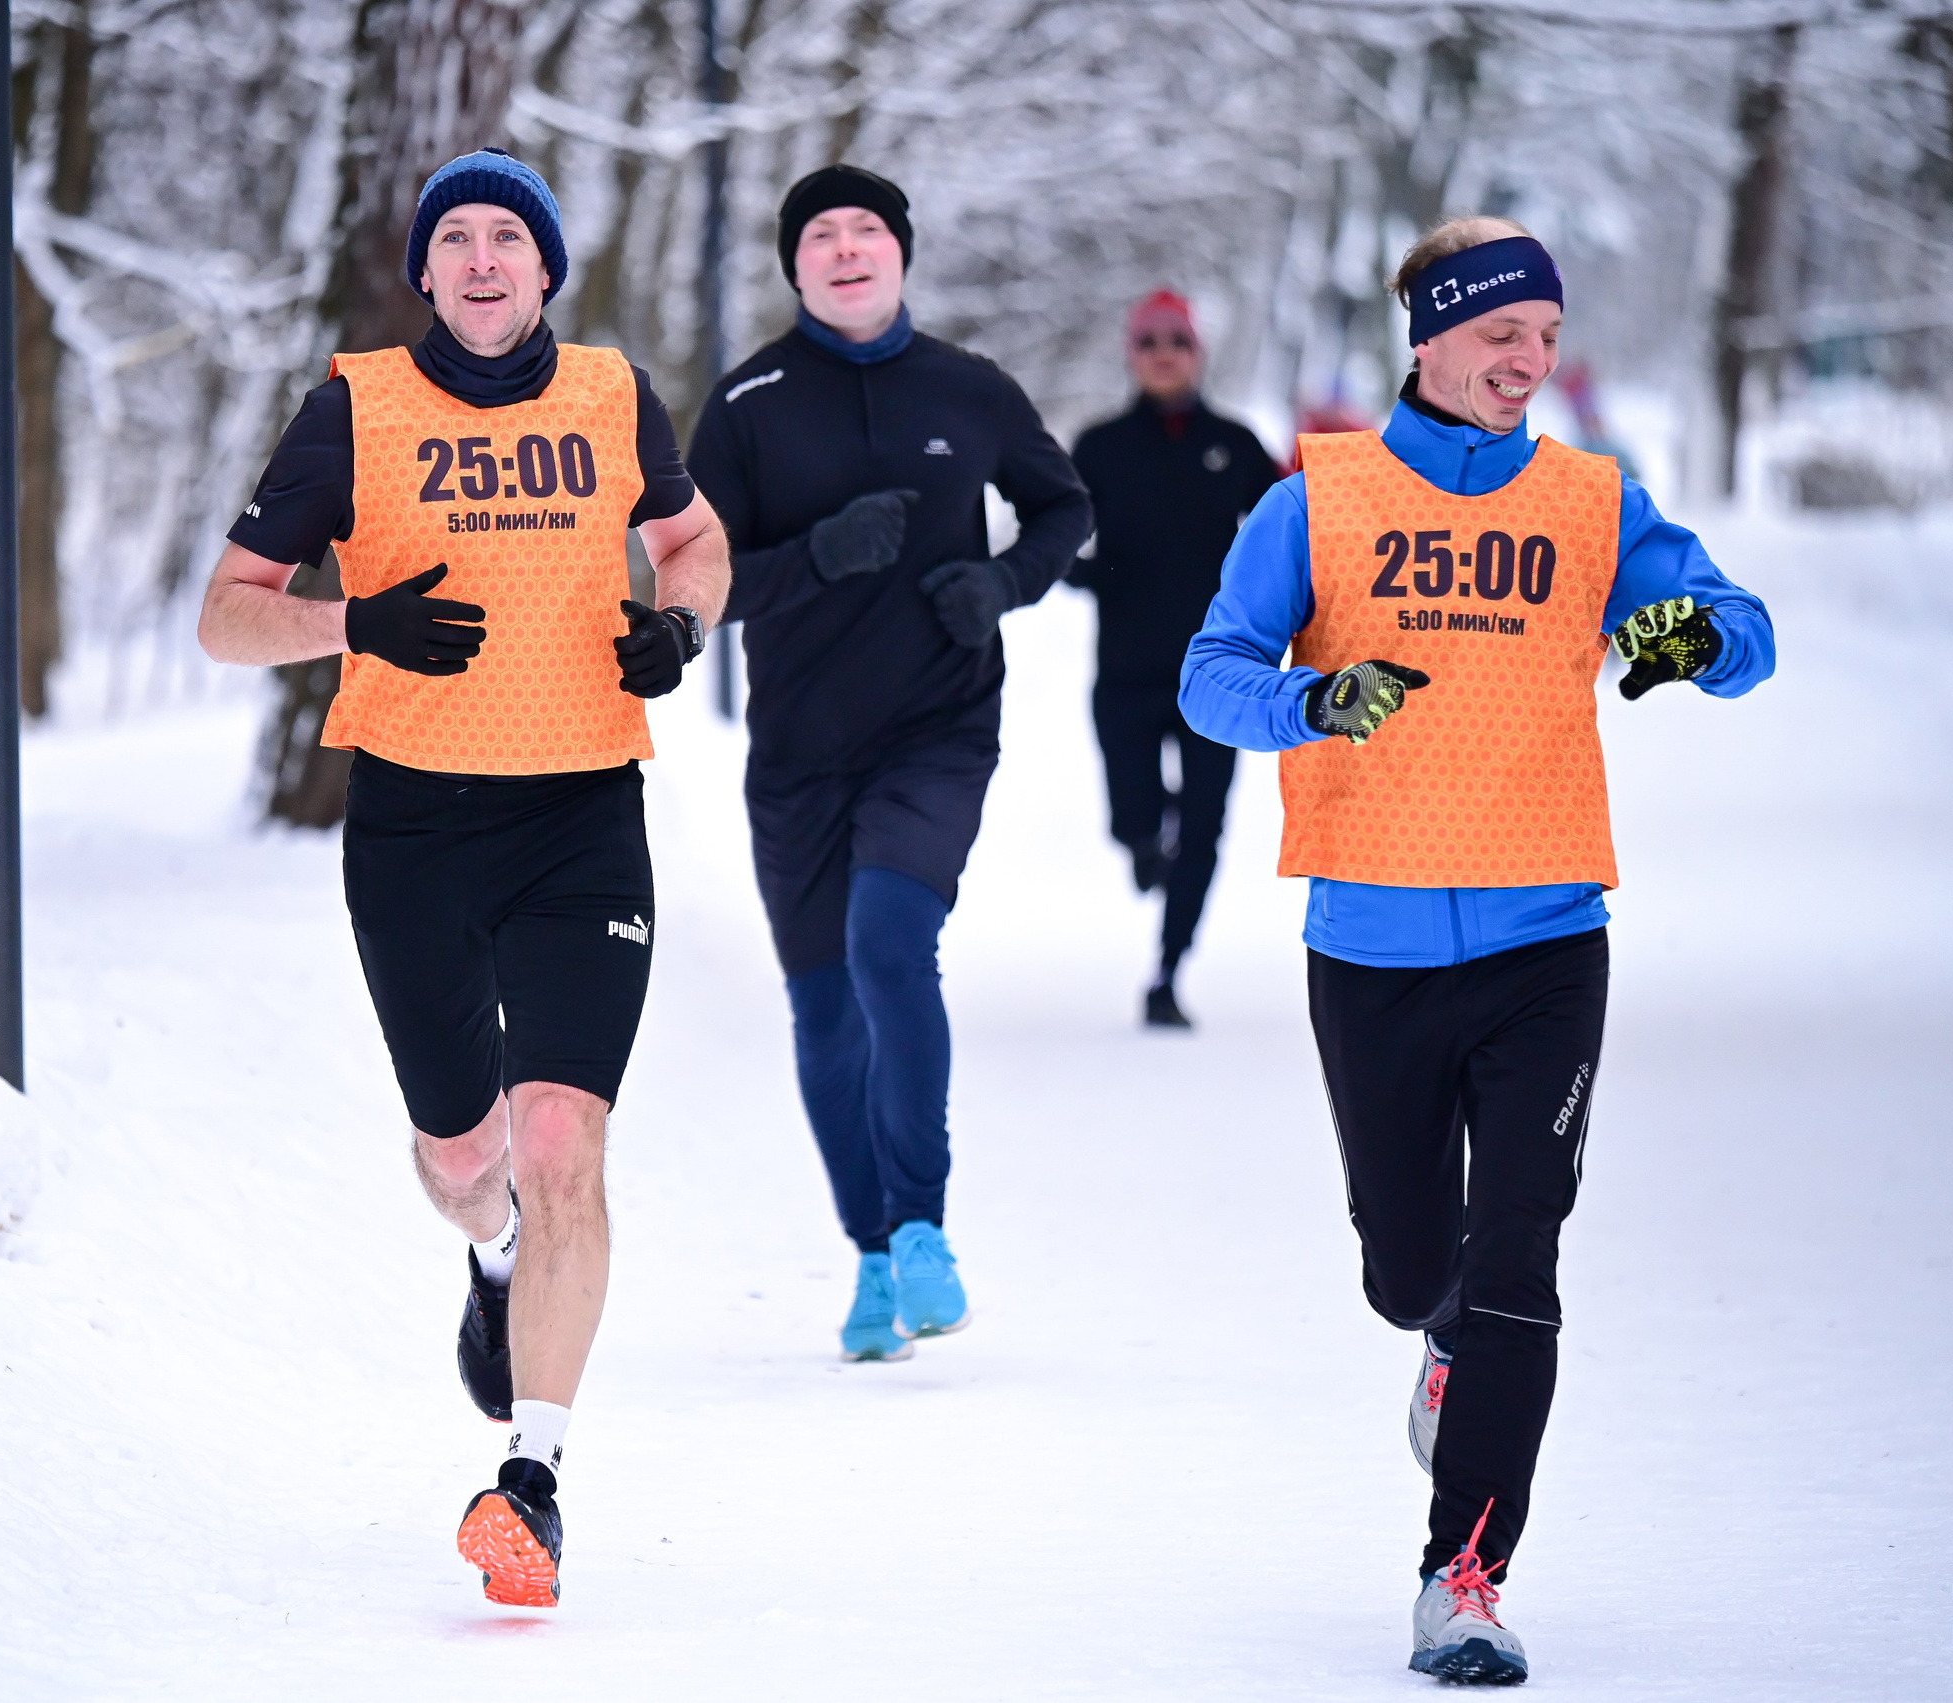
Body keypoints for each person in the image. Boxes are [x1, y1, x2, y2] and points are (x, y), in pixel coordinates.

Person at [1180, 215, 1773, 1684]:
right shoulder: (1321, 497)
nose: (1529, 362)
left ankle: (1466, 1578)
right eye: (1503, 334)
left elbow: (1742, 627)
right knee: (1408, 1269)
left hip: (1546, 941)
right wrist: (1314, 704)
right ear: (1432, 338)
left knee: (1520, 1258)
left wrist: (1695, 639)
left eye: (1549, 340)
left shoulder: (1590, 500)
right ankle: (1436, 1336)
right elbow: (1213, 675)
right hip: (1371, 943)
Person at [195, 148, 730, 1609]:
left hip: (581, 820)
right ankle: (492, 1251)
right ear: (424, 273)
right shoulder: (352, 410)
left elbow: (691, 538)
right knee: (463, 1155)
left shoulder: (613, 398)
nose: (485, 259)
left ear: (547, 269)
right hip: (415, 827)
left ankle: (534, 1480)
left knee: (566, 1143)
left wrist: (680, 628)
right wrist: (352, 621)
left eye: (512, 237)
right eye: (459, 240)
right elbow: (226, 618)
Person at [687, 165, 1092, 1363]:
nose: (847, 248)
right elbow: (694, 583)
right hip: (800, 755)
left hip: (937, 728)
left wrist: (1005, 581)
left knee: (886, 942)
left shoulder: (968, 389)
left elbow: (1063, 506)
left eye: (868, 229)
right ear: (794, 264)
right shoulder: (749, 403)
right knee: (822, 1011)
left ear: (901, 254)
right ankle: (869, 1252)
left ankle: (923, 1227)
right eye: (822, 234)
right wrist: (811, 554)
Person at [1066, 291, 1280, 1029]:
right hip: (1126, 671)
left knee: (1205, 825)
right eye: (1149, 340)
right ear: (1132, 353)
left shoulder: (1236, 443)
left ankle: (1168, 968)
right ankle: (1140, 838)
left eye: (1177, 341)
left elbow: (1292, 529)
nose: (1163, 352)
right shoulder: (1099, 446)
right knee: (1134, 818)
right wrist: (1081, 571)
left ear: (1198, 353)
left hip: (1220, 673)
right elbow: (1057, 526)